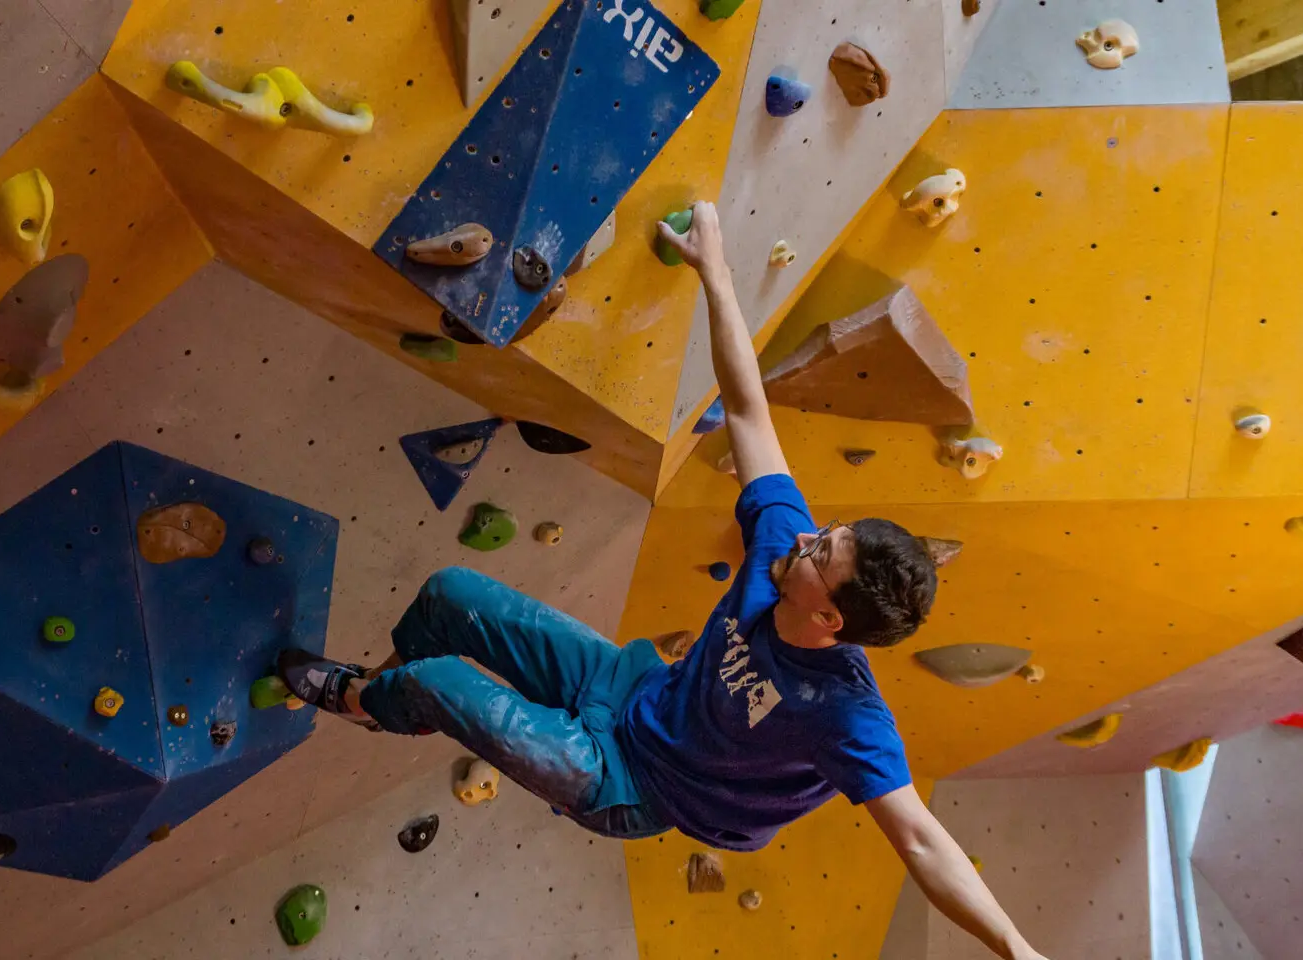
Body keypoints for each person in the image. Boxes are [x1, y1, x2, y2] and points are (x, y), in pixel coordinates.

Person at [277, 202, 1047, 960]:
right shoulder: (786, 547)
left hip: (632, 783)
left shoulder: (844, 712)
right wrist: (716, 276)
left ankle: (356, 700)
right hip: (631, 685)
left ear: (831, 621)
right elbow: (748, 411)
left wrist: (1016, 949)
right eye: (827, 533)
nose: (807, 539)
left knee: (441, 682)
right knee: (448, 594)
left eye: (823, 557)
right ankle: (381, 694)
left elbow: (919, 840)